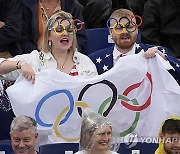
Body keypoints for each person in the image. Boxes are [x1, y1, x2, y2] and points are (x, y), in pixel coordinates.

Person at [0, 11, 98, 84]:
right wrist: (20, 64)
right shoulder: (35, 59)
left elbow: (94, 93)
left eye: (70, 30)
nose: (65, 33)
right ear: (49, 36)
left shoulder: (85, 62)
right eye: (59, 30)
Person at [89, 9, 180, 85]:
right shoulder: (94, 60)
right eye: (119, 28)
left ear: (137, 30)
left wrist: (163, 59)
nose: (125, 32)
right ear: (110, 32)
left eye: (130, 27)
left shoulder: (156, 53)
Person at [20, 0, 87, 53]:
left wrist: (66, 54)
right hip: (36, 59)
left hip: (66, 57)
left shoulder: (72, 6)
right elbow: (22, 41)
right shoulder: (25, 4)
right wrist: (42, 57)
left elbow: (80, 38)